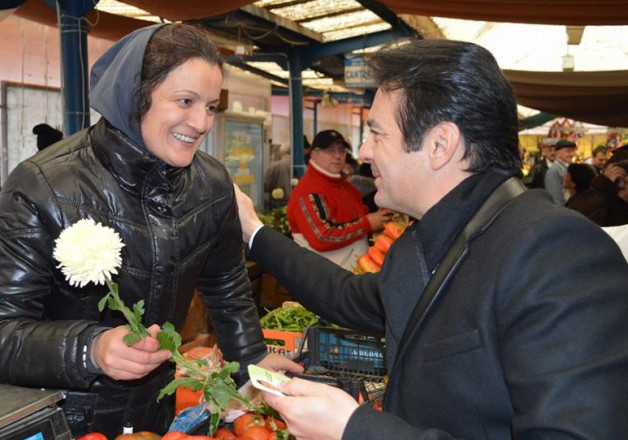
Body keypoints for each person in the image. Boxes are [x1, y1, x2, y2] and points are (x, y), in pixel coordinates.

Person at [233, 38, 628, 440]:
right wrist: (253, 231)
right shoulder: (429, 240)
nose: (364, 151)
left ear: (440, 145)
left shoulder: (556, 251)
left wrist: (356, 430)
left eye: (377, 133)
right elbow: (347, 296)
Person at [0, 23, 299, 438]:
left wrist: (251, 357)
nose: (201, 122)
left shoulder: (210, 184)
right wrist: (90, 349)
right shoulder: (45, 186)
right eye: (185, 101)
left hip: (153, 412)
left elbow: (226, 283)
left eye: (211, 106)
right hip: (61, 417)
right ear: (135, 96)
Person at [286, 129, 392, 270]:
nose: (337, 156)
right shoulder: (307, 191)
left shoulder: (348, 188)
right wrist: (367, 223)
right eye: (330, 151)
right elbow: (322, 237)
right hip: (324, 281)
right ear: (314, 154)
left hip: (353, 275)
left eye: (342, 151)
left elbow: (363, 219)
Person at [567, 160, 628, 226]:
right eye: (617, 179)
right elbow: (574, 221)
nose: (622, 183)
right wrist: (604, 185)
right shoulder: (606, 206)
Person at [544, 139, 577, 205]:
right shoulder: (553, 171)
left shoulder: (568, 168)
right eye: (568, 151)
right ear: (557, 153)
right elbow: (555, 197)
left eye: (572, 151)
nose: (571, 154)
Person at [264, 143, 292, 208]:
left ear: (281, 153)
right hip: (295, 204)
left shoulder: (274, 166)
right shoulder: (302, 167)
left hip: (278, 205)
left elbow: (265, 186)